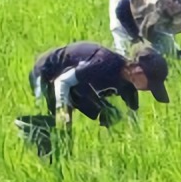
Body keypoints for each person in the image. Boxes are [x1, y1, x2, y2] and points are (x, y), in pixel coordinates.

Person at [27, 41, 172, 127]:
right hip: (48, 73)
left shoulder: (129, 86)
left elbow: (133, 117)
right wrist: (61, 110)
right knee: (56, 125)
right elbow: (62, 81)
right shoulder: (105, 63)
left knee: (111, 115)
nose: (149, 89)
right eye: (151, 83)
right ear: (138, 71)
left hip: (77, 85)